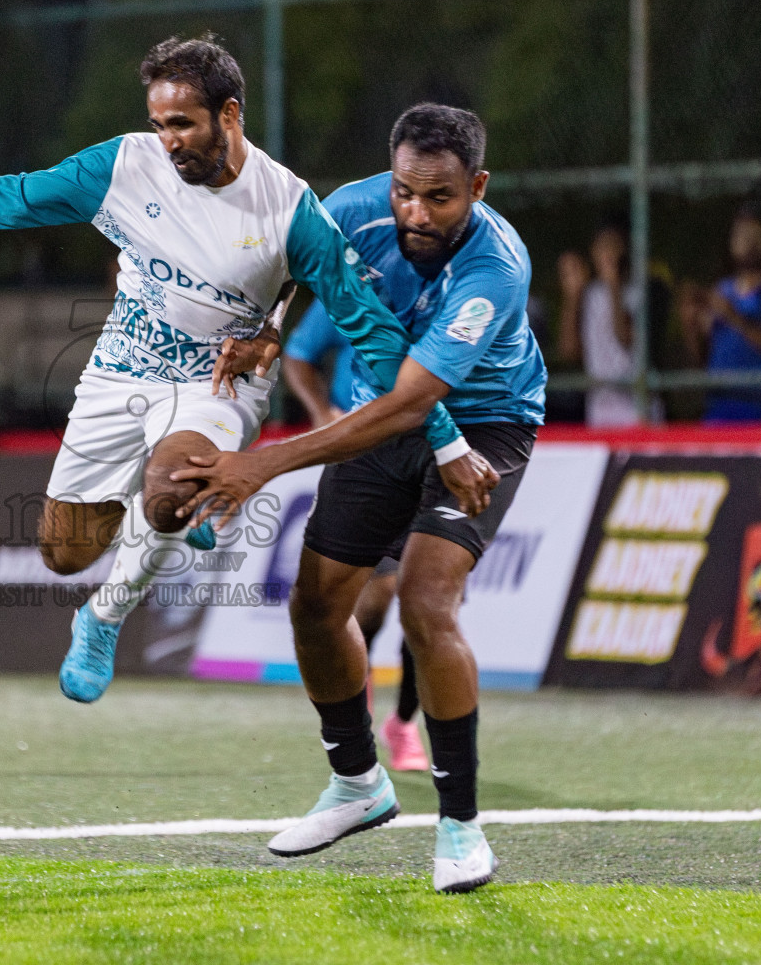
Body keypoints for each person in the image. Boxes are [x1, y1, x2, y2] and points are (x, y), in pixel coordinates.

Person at [0, 36, 497, 706]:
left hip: (217, 385)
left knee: (171, 489)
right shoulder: (123, 167)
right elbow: (7, 198)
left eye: (183, 123)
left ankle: (106, 616)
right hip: (119, 374)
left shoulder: (288, 209)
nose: (169, 139)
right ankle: (161, 519)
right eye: (159, 123)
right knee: (63, 554)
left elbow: (373, 333)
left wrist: (447, 438)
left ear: (229, 114)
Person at [172, 103, 545, 893]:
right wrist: (273, 332)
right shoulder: (353, 207)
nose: (415, 211)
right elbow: (295, 267)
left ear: (476, 186)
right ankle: (356, 784)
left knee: (424, 599)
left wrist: (261, 465)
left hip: (484, 425)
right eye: (405, 191)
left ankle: (461, 829)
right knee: (314, 606)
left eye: (439, 197)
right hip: (382, 415)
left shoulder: (495, 268)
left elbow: (417, 404)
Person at [283, 302, 428, 772]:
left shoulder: (453, 288)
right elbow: (297, 354)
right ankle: (355, 680)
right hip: (365, 456)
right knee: (380, 592)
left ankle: (403, 723)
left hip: (436, 450)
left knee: (428, 600)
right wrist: (323, 412)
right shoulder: (352, 288)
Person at [681, 203, 761, 421]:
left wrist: (736, 319)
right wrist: (690, 324)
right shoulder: (723, 289)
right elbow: (702, 360)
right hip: (718, 410)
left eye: (754, 234)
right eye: (740, 233)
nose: (747, 241)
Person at [556, 218, 664, 426]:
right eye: (602, 246)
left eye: (614, 245)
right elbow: (568, 352)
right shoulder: (588, 295)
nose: (608, 253)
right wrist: (571, 298)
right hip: (601, 412)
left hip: (637, 410)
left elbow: (625, 338)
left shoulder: (639, 292)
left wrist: (613, 283)